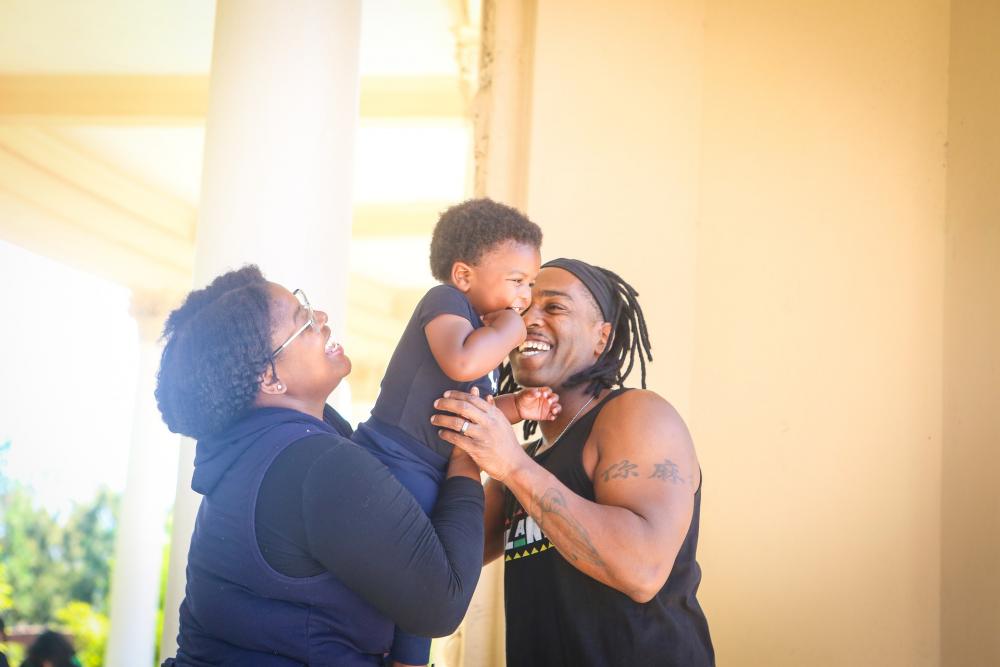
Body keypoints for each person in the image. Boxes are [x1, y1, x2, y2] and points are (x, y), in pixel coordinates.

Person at [154, 266, 485, 667]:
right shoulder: (314, 465)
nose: (322, 319)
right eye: (304, 321)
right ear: (270, 378)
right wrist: (468, 451)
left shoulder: (263, 452)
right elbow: (440, 603)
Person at [432, 258, 715, 666]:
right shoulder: (526, 460)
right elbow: (445, 561)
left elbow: (642, 571)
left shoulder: (636, 414)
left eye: (554, 307)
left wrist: (511, 464)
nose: (529, 320)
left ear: (601, 338)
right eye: (521, 308)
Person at [354, 199, 559, 666]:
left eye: (531, 283)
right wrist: (510, 328)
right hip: (393, 460)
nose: (525, 297)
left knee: (421, 598)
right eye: (517, 281)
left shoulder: (480, 333)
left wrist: (517, 406)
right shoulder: (446, 303)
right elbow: (461, 361)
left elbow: (472, 410)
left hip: (431, 475)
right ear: (465, 275)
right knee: (407, 578)